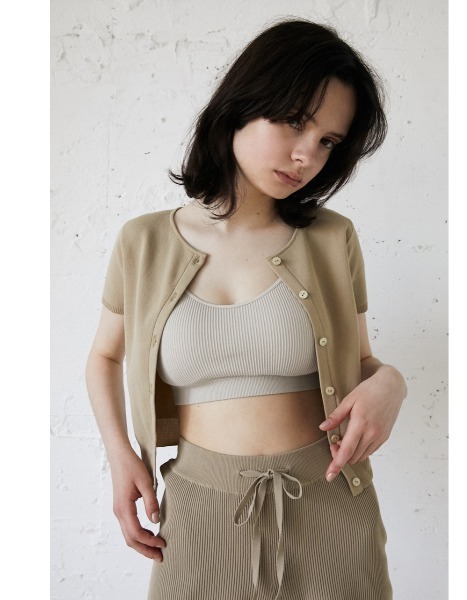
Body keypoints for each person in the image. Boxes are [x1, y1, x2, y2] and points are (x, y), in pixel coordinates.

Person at [86, 18, 407, 600]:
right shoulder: (144, 242)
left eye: (329, 142)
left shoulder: (333, 238)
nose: (306, 155)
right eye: (295, 121)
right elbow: (105, 357)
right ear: (241, 105)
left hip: (332, 505)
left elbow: (362, 361)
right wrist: (120, 456)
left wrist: (392, 383)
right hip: (198, 510)